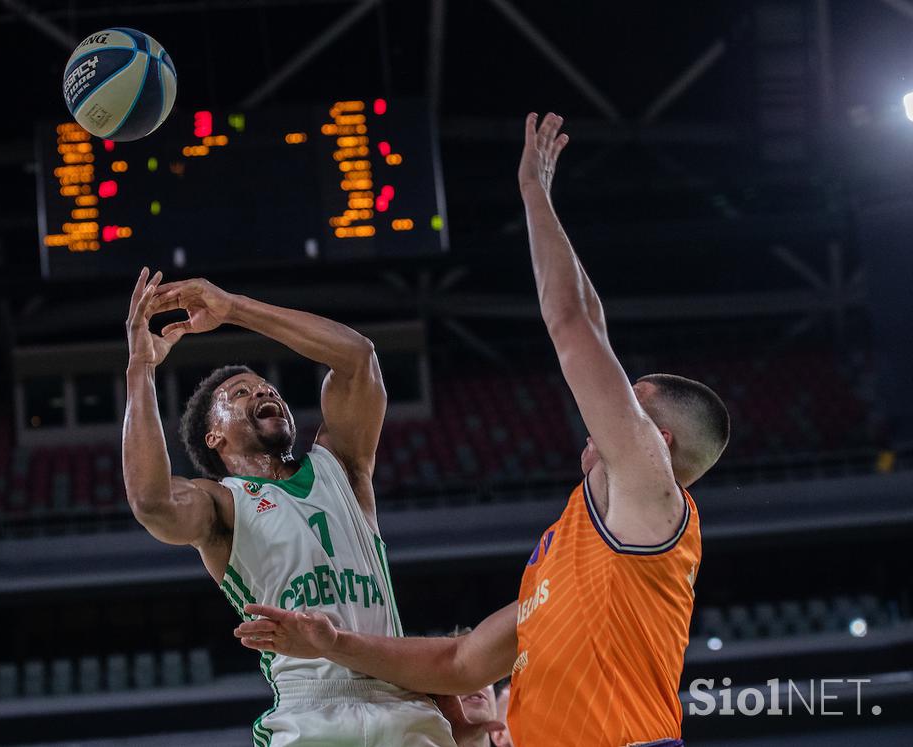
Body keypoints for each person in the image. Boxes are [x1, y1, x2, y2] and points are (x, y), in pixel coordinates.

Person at [232, 112, 730, 747]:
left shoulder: (654, 498)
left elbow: (577, 325)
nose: (609, 406)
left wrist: (533, 195)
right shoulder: (572, 553)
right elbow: (461, 663)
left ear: (657, 445)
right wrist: (333, 644)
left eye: (630, 404)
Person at [122, 270, 455, 747]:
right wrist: (140, 367)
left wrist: (233, 308)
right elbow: (151, 501)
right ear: (213, 436)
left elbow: (358, 359)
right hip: (310, 711)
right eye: (240, 393)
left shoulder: (341, 465)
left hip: (398, 692)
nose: (263, 392)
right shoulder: (220, 504)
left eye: (266, 387)